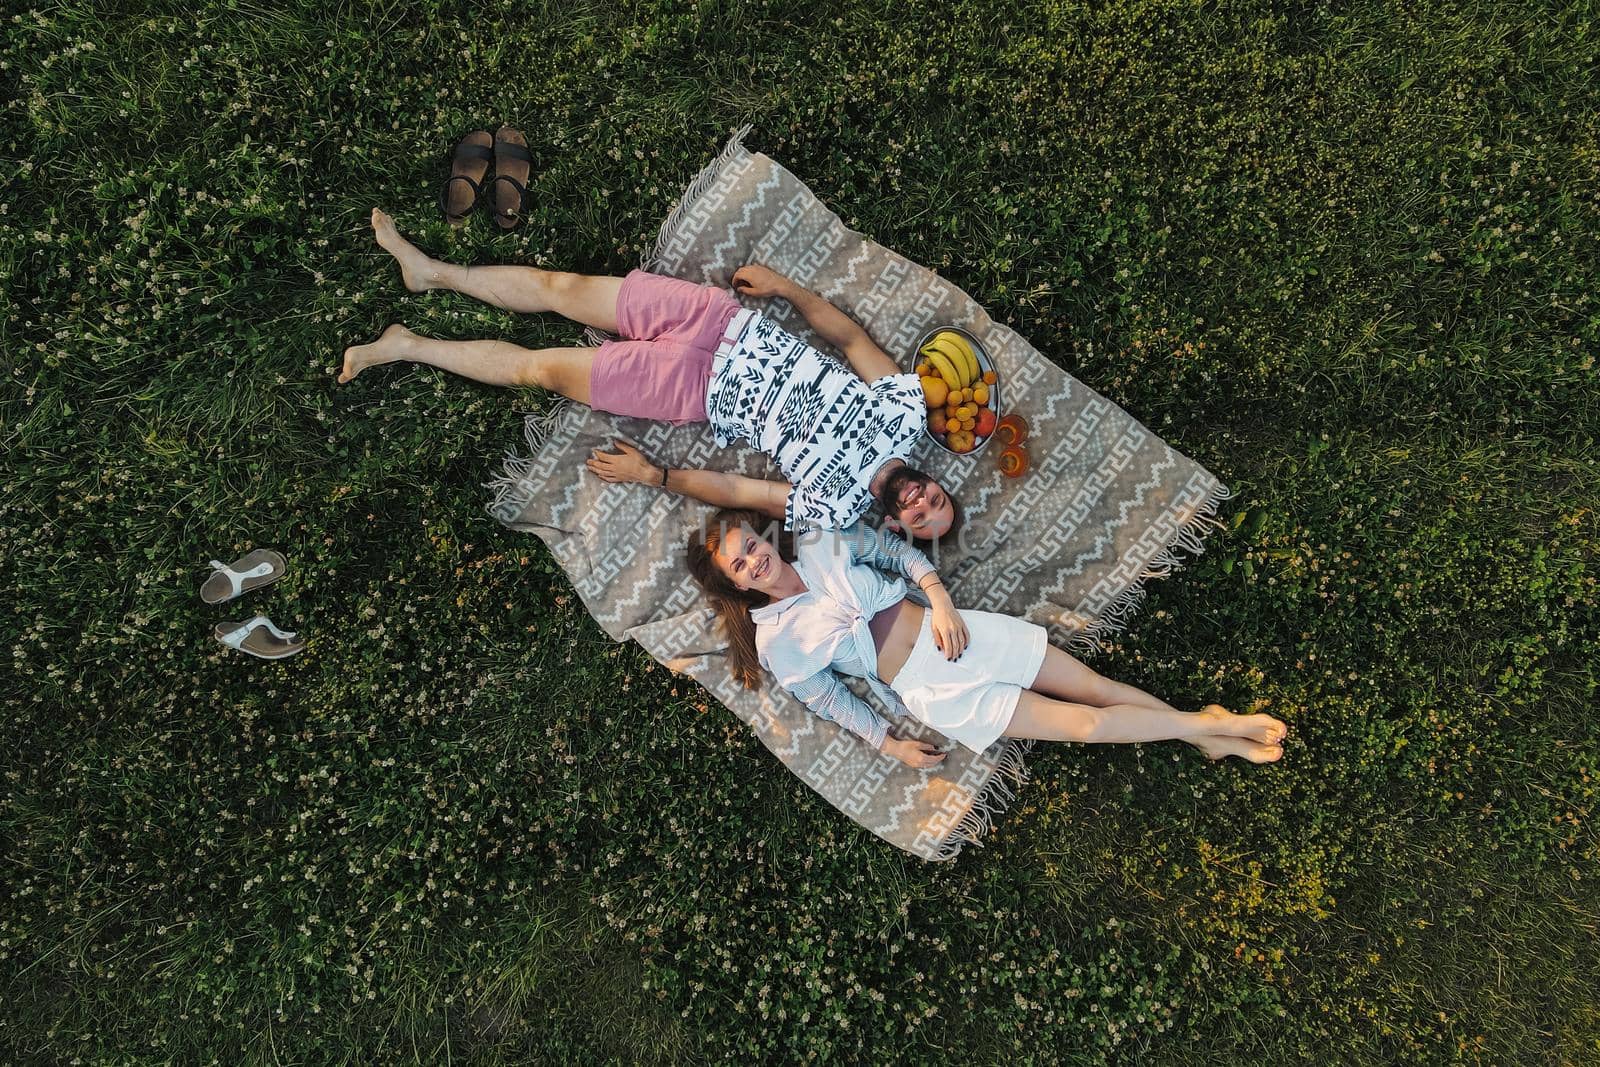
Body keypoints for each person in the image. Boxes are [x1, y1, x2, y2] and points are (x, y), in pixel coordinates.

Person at [340, 209, 959, 538]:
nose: (920, 504)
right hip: (720, 322)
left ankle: (409, 346)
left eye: (922, 520)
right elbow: (849, 336)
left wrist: (656, 474)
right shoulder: (905, 412)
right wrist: (786, 288)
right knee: (564, 288)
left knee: (545, 370)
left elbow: (743, 493)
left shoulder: (837, 508)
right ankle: (431, 272)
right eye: (935, 500)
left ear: (899, 526)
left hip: (694, 391)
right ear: (931, 481)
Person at [687, 508, 1288, 768]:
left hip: (958, 633)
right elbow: (830, 700)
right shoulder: (776, 644)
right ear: (736, 587)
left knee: (1099, 690)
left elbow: (898, 554)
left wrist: (942, 599)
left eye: (750, 546)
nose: (754, 562)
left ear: (762, 537)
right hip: (931, 689)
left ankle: (1205, 734)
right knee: (1086, 726)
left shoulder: (823, 542)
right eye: (739, 567)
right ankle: (1209, 728)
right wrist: (887, 744)